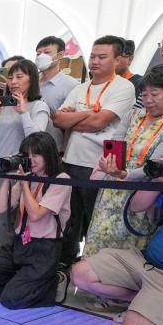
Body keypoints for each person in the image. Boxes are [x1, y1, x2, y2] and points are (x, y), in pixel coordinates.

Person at [72, 127, 163, 325]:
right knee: (80, 274)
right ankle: (144, 302)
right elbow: (137, 206)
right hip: (147, 261)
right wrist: (157, 179)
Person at [83, 65, 163, 257]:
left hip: (141, 192)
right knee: (99, 239)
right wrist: (109, 163)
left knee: (125, 249)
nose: (148, 100)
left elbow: (155, 167)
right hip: (111, 188)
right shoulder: (133, 115)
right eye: (144, 94)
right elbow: (115, 144)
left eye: (155, 94)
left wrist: (125, 174)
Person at [52, 36, 137, 263]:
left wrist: (75, 118)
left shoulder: (124, 87)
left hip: (100, 165)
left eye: (102, 57)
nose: (95, 61)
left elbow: (99, 123)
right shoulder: (80, 88)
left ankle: (93, 267)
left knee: (95, 220)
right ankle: (64, 265)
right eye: (92, 56)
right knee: (68, 219)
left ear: (117, 59)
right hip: (70, 161)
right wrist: (88, 113)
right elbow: (58, 120)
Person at [0, 132, 71, 308]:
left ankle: (52, 282)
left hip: (44, 250)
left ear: (48, 154)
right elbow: (1, 208)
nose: (31, 160)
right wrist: (7, 178)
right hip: (20, 243)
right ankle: (20, 286)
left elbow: (36, 215)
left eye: (36, 154)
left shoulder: (61, 180)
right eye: (27, 155)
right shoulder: (29, 176)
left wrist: (24, 184)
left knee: (11, 300)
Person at [0, 59, 51, 250]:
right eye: (11, 77)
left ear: (32, 79)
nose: (13, 82)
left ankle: (9, 256)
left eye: (19, 77)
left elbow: (37, 141)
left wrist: (23, 113)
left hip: (16, 172)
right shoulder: (3, 105)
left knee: (9, 219)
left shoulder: (38, 106)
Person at [35, 36, 79, 152]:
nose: (41, 57)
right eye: (38, 54)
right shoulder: (30, 81)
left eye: (47, 52)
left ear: (60, 55)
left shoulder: (71, 85)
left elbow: (71, 121)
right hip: (28, 144)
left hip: (53, 148)